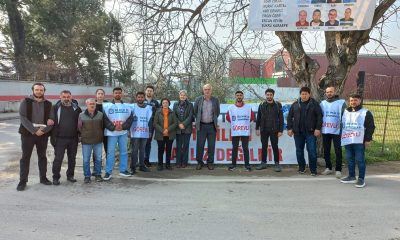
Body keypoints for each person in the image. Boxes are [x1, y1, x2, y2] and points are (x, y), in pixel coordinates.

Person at [17, 83, 53, 191]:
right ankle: (23, 181)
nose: (39, 92)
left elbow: (52, 120)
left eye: (41, 90)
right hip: (28, 134)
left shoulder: (48, 104)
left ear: (44, 91)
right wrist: (34, 130)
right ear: (33, 90)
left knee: (42, 157)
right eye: (37, 90)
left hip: (43, 134)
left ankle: (43, 178)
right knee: (25, 157)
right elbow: (23, 118)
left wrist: (44, 130)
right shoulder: (25, 101)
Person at [340, 94, 375, 188]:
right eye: (351, 100)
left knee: (360, 160)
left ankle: (361, 179)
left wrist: (368, 139)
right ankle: (351, 176)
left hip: (359, 141)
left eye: (355, 100)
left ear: (360, 101)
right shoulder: (346, 111)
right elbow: (342, 125)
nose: (353, 102)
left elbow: (371, 127)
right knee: (349, 159)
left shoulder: (365, 112)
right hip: (347, 139)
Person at [287, 87, 322, 176]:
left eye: (306, 94)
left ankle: (313, 169)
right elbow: (289, 117)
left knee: (312, 151)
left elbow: (319, 116)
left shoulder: (314, 104)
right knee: (299, 151)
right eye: (302, 94)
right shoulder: (295, 104)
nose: (304, 95)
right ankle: (301, 168)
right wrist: (289, 128)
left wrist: (318, 128)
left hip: (311, 132)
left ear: (309, 94)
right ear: (300, 94)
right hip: (298, 132)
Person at [51, 90, 82, 185]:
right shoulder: (55, 108)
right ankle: (56, 177)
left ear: (71, 97)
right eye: (64, 97)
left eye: (68, 97)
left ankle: (70, 176)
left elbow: (81, 123)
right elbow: (50, 122)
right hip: (59, 138)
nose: (66, 98)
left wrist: (80, 135)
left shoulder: (77, 109)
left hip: (73, 138)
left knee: (72, 159)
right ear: (60, 97)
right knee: (58, 159)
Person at [102, 87, 134, 180]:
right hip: (111, 133)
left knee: (124, 152)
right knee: (110, 153)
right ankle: (108, 172)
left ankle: (123, 170)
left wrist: (123, 127)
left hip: (123, 133)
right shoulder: (107, 106)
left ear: (122, 94)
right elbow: (105, 119)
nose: (118, 94)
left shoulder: (127, 106)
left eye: (119, 93)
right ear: (113, 94)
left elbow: (130, 118)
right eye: (116, 93)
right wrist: (113, 127)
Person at [320, 86, 346, 178]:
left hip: (337, 130)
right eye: (327, 92)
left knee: (338, 150)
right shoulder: (322, 103)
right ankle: (328, 168)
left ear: (335, 92)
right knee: (326, 150)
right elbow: (320, 116)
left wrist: (343, 129)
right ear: (325, 93)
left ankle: (338, 169)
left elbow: (345, 116)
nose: (329, 93)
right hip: (326, 129)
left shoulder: (341, 102)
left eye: (331, 92)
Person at [255, 88, 284, 172]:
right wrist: (257, 128)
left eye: (271, 95)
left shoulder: (278, 105)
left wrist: (281, 130)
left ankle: (277, 164)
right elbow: (259, 118)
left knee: (275, 147)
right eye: (267, 95)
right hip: (264, 129)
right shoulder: (261, 105)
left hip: (274, 130)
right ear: (265, 95)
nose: (269, 96)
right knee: (264, 147)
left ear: (273, 95)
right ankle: (263, 163)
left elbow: (281, 119)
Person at [193, 84, 220, 170]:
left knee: (211, 145)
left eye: (208, 89)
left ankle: (210, 162)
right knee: (200, 145)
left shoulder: (215, 100)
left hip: (212, 126)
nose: (207, 91)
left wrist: (214, 121)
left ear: (211, 90)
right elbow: (195, 112)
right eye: (205, 89)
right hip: (201, 126)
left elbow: (217, 112)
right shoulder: (198, 99)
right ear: (203, 90)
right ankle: (199, 162)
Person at [226, 91, 254, 171]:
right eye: (237, 95)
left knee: (245, 148)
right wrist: (236, 124)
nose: (239, 96)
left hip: (245, 131)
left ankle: (247, 165)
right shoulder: (231, 108)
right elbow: (228, 118)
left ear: (243, 96)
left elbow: (252, 117)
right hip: (236, 131)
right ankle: (233, 165)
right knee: (234, 148)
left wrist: (243, 124)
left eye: (240, 95)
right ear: (235, 96)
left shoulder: (248, 107)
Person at [78, 98, 104, 183]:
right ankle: (87, 176)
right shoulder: (81, 115)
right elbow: (79, 127)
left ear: (95, 105)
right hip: (86, 141)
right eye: (90, 104)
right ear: (87, 105)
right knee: (86, 160)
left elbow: (103, 126)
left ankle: (98, 174)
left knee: (99, 159)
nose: (92, 105)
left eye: (93, 104)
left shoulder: (100, 114)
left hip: (98, 141)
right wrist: (83, 136)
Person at [130, 91, 152, 174]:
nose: (140, 98)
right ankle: (133, 167)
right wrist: (129, 131)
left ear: (144, 98)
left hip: (144, 132)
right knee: (134, 150)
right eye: (138, 97)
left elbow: (150, 120)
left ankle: (142, 166)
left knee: (142, 150)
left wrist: (150, 131)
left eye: (142, 97)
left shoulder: (148, 108)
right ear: (136, 98)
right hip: (135, 132)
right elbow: (129, 119)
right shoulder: (132, 107)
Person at [154, 98, 177, 171]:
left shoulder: (172, 112)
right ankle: (160, 165)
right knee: (160, 150)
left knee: (169, 150)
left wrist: (168, 130)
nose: (165, 104)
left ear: (169, 104)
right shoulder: (157, 112)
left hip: (170, 134)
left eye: (166, 103)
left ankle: (168, 164)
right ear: (161, 104)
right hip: (160, 134)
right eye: (163, 103)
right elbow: (155, 123)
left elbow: (175, 123)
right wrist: (162, 130)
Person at [172, 90, 194, 168]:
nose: (183, 96)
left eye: (184, 95)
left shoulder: (190, 105)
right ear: (179, 96)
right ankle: (178, 162)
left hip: (187, 128)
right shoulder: (175, 104)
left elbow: (191, 116)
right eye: (181, 95)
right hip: (178, 129)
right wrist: (179, 124)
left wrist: (183, 124)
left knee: (185, 146)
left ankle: (184, 162)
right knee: (178, 146)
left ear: (186, 96)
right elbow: (174, 116)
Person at [92, 88, 108, 176]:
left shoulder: (108, 105)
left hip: (107, 131)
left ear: (104, 95)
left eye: (102, 93)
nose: (100, 95)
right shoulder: (92, 104)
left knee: (107, 150)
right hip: (96, 131)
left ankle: (108, 169)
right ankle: (96, 168)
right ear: (96, 95)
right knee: (96, 151)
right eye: (99, 93)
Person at [144, 85, 160, 167]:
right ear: (145, 91)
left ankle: (147, 160)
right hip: (142, 125)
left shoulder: (156, 102)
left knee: (148, 142)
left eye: (151, 91)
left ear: (153, 92)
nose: (149, 92)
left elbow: (158, 114)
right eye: (148, 90)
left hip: (151, 125)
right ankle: (141, 160)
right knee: (141, 142)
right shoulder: (141, 100)